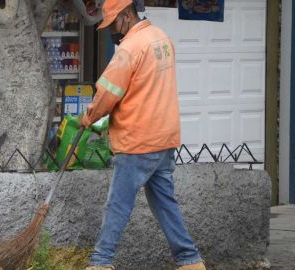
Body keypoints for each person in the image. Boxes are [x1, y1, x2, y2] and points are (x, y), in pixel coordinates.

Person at [80, 0, 206, 269]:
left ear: (126, 15)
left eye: (113, 23)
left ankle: (100, 262)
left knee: (118, 205)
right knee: (165, 204)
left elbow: (108, 94)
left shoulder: (130, 48)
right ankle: (190, 261)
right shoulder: (161, 38)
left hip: (138, 141)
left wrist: (89, 117)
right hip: (164, 139)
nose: (112, 30)